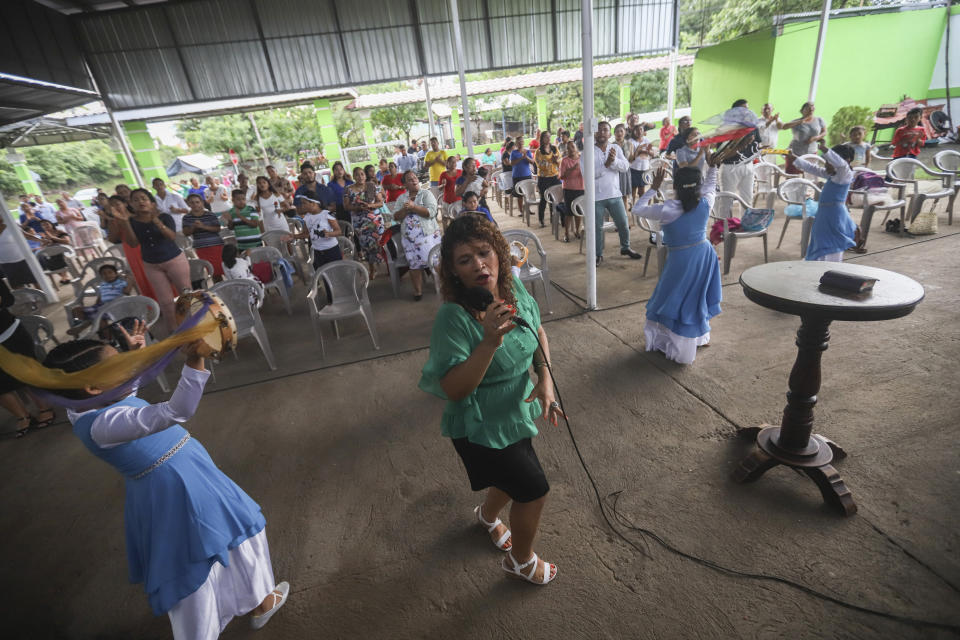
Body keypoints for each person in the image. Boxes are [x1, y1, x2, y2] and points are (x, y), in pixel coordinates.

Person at [40, 331, 289, 638]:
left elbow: (125, 388)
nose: (130, 369)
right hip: (176, 488)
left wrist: (137, 355)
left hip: (184, 477)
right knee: (194, 567)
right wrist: (196, 357)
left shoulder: (85, 403)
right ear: (93, 387)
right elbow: (177, 410)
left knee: (237, 536)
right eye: (119, 365)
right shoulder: (104, 425)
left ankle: (260, 602)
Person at [418, 214, 562, 586]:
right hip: (480, 424)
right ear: (453, 271)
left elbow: (538, 331)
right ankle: (521, 561)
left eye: (484, 253)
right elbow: (454, 389)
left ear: (499, 253)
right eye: (465, 260)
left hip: (516, 411)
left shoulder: (512, 289)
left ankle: (485, 517)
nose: (479, 265)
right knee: (533, 490)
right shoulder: (453, 318)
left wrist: (545, 379)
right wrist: (488, 342)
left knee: (510, 476)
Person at [631, 155, 723, 364]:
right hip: (704, 255)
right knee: (695, 298)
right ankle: (698, 337)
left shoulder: (667, 208)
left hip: (681, 259)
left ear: (675, 186)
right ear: (697, 186)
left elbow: (637, 209)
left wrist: (653, 188)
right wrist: (713, 167)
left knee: (673, 298)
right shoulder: (705, 201)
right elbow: (710, 185)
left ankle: (679, 341)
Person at [110, 189, 190, 332]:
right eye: (136, 200)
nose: (140, 202)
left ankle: (195, 325)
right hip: (151, 265)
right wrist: (125, 222)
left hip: (175, 260)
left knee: (186, 296)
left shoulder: (165, 217)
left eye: (144, 199)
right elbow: (133, 243)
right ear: (131, 204)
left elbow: (171, 237)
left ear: (152, 203)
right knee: (165, 303)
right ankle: (175, 334)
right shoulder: (132, 222)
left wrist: (156, 221)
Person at [0, 278, 55, 437]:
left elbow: (7, 299)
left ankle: (45, 407)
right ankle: (22, 415)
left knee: (27, 373)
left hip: (8, 332)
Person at [584, 121, 641, 265]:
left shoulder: (615, 147)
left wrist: (613, 161)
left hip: (615, 194)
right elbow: (587, 174)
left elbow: (625, 166)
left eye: (605, 130)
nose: (602, 133)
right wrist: (607, 165)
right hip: (596, 197)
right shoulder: (587, 151)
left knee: (623, 223)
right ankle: (597, 254)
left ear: (610, 133)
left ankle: (625, 247)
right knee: (597, 228)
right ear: (594, 133)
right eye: (599, 130)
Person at [789, 142, 857, 262]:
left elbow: (841, 165)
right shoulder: (833, 174)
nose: (826, 165)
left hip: (835, 215)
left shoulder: (845, 174)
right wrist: (794, 157)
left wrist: (824, 149)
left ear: (846, 160)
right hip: (824, 213)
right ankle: (818, 265)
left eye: (829, 162)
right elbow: (812, 168)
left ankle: (830, 267)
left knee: (831, 243)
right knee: (820, 239)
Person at [394, 170, 441, 301]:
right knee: (414, 265)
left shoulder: (426, 194)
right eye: (410, 179)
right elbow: (396, 217)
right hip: (409, 239)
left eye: (415, 178)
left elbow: (431, 212)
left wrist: (414, 207)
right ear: (405, 185)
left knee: (434, 261)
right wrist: (405, 209)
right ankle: (418, 291)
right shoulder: (402, 198)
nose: (414, 180)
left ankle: (443, 285)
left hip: (428, 236)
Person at [718, 100, 762, 217]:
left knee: (747, 199)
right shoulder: (725, 128)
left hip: (748, 166)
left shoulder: (752, 127)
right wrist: (743, 144)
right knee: (727, 201)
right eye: (743, 109)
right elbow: (723, 155)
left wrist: (760, 151)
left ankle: (746, 224)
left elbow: (756, 145)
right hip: (730, 167)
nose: (746, 112)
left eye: (747, 109)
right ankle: (723, 230)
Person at [67, 263, 134, 336]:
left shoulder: (121, 282)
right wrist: (95, 305)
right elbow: (101, 296)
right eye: (104, 274)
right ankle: (84, 323)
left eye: (110, 272)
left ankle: (108, 338)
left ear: (116, 273)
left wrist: (129, 278)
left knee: (100, 318)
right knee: (76, 309)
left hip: (114, 306)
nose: (108, 275)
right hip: (101, 306)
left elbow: (127, 292)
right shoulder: (103, 285)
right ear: (102, 276)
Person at [344, 166, 386, 279]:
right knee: (367, 246)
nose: (360, 176)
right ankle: (372, 269)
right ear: (353, 177)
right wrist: (357, 207)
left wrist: (370, 206)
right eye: (357, 174)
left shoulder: (372, 186)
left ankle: (388, 266)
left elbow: (380, 203)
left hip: (375, 220)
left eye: (362, 174)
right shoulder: (348, 189)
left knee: (381, 243)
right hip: (360, 223)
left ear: (365, 175)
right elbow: (346, 206)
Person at [181, 193, 225, 280]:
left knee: (222, 269)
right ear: (188, 204)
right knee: (212, 272)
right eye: (192, 203)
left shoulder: (210, 215)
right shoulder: (187, 217)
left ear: (202, 203)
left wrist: (203, 226)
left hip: (216, 246)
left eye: (197, 202)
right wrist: (193, 227)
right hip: (201, 248)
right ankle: (219, 290)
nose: (195, 205)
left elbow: (217, 229)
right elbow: (186, 233)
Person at [296, 195, 343, 268]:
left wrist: (329, 234)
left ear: (313, 203)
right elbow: (306, 234)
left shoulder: (327, 214)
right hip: (317, 252)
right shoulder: (307, 217)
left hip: (331, 250)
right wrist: (293, 236)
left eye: (304, 203)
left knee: (335, 273)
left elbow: (339, 231)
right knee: (324, 275)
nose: (302, 206)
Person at [782, 102, 827, 174]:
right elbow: (784, 127)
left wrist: (816, 138)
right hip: (795, 152)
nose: (811, 109)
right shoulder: (796, 122)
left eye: (812, 106)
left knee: (809, 174)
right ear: (802, 111)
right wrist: (801, 121)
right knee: (792, 174)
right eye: (808, 107)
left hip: (811, 152)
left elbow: (824, 132)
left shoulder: (819, 120)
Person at [0, 216, 36, 289]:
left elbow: (27, 236)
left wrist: (43, 240)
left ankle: (44, 297)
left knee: (34, 280)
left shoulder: (11, 226)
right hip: (5, 263)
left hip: (21, 259)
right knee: (16, 285)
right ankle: (28, 299)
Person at [534, 130, 561, 227]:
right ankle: (541, 220)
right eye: (546, 137)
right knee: (544, 199)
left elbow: (559, 162)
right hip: (543, 178)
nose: (548, 138)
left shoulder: (554, 148)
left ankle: (553, 218)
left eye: (549, 136)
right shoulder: (538, 151)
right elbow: (539, 165)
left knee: (555, 199)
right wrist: (551, 160)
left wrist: (556, 161)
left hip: (554, 177)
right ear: (542, 139)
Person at [560, 140, 584, 243]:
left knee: (578, 212)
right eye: (568, 148)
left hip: (580, 189)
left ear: (576, 148)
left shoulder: (582, 158)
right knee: (568, 213)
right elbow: (562, 176)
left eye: (572, 147)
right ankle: (566, 233)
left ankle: (577, 231)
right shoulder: (564, 160)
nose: (571, 150)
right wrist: (572, 169)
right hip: (568, 189)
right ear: (566, 150)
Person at [628, 124, 653, 204]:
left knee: (642, 190)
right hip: (634, 169)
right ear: (633, 131)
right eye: (637, 130)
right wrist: (638, 149)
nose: (639, 131)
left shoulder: (647, 140)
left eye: (641, 129)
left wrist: (649, 151)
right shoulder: (631, 141)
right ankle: (632, 206)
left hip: (645, 168)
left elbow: (652, 153)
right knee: (633, 190)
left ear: (643, 131)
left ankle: (641, 207)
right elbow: (631, 159)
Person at [510, 136, 535, 214]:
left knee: (528, 193)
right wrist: (521, 158)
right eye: (518, 142)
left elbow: (532, 162)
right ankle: (521, 211)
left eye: (521, 141)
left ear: (523, 142)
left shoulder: (527, 151)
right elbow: (512, 163)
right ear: (516, 144)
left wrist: (526, 157)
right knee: (519, 195)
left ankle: (528, 209)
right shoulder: (513, 152)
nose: (520, 143)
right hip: (517, 176)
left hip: (527, 175)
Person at [612, 124, 632, 209]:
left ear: (625, 132)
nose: (619, 133)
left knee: (624, 195)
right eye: (617, 131)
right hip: (614, 172)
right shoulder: (611, 145)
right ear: (614, 133)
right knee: (614, 196)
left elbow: (631, 158)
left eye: (621, 131)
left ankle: (625, 216)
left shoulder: (629, 144)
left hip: (625, 172)